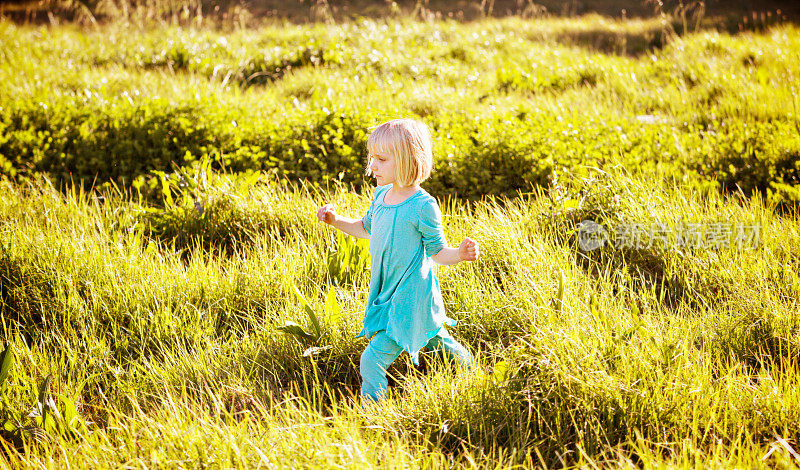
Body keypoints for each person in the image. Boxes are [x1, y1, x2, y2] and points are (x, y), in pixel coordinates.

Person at [315, 118, 480, 404]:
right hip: (386, 290)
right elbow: (365, 228)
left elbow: (438, 252)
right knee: (436, 340)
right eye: (372, 158)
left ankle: (373, 413)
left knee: (372, 360)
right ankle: (476, 375)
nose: (373, 166)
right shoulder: (380, 196)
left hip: (409, 295)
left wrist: (460, 254)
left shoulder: (422, 205)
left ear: (407, 161)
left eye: (381, 159)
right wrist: (336, 220)